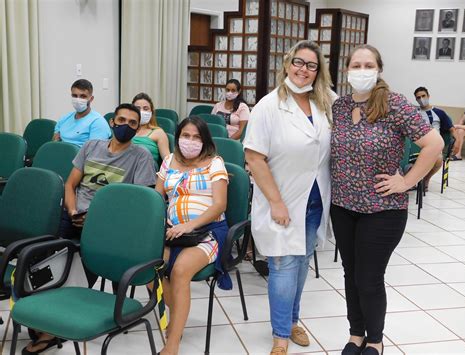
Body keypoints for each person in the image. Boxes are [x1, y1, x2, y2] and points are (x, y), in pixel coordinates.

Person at [330, 44, 443, 355]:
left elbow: (434, 144)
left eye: (369, 65)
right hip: (342, 207)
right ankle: (355, 335)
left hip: (382, 210)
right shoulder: (339, 106)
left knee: (368, 277)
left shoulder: (395, 105)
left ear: (378, 70)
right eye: (356, 65)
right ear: (347, 69)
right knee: (350, 274)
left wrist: (406, 180)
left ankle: (375, 340)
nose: (362, 70)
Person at [22, 103, 156, 355]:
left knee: (81, 263)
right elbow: (71, 185)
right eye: (121, 120)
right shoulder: (91, 146)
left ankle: (52, 329)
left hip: (108, 222)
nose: (125, 126)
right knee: (42, 254)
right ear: (112, 122)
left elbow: (136, 202)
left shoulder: (141, 156)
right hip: (74, 214)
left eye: (132, 123)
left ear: (138, 129)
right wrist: (73, 212)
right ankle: (42, 310)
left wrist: (94, 219)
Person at [244, 40, 335, 355]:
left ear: (318, 71)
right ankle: (281, 334)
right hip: (280, 201)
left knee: (301, 262)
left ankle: (294, 320)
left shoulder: (325, 102)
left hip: (315, 199)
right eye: (299, 62)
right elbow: (255, 158)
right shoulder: (269, 106)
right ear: (286, 64)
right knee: (283, 265)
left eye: (312, 65)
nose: (304, 69)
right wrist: (277, 203)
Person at [155, 116, 230, 355]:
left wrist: (189, 225)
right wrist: (162, 222)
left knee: (179, 272)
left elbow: (219, 205)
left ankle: (173, 343)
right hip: (170, 232)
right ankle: (179, 314)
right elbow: (157, 199)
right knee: (149, 268)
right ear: (177, 138)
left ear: (205, 140)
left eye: (196, 137)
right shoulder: (168, 161)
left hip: (206, 233)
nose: (190, 141)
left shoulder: (214, 163)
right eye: (185, 136)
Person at [414, 86, 459, 189]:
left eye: (423, 96)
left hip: (434, 146)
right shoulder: (413, 112)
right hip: (416, 145)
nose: (421, 99)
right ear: (416, 100)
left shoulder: (439, 113)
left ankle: (426, 179)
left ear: (428, 96)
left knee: (439, 159)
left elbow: (452, 129)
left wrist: (456, 143)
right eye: (418, 97)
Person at [53, 79, 111, 147]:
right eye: (74, 96)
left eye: (83, 96)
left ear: (91, 99)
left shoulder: (98, 122)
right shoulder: (64, 119)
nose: (78, 100)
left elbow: (95, 153)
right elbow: (55, 143)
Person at [132, 92, 170, 162]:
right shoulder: (126, 130)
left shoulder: (158, 133)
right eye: (137, 108)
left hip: (146, 170)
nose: (141, 111)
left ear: (151, 112)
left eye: (145, 109)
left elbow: (167, 161)